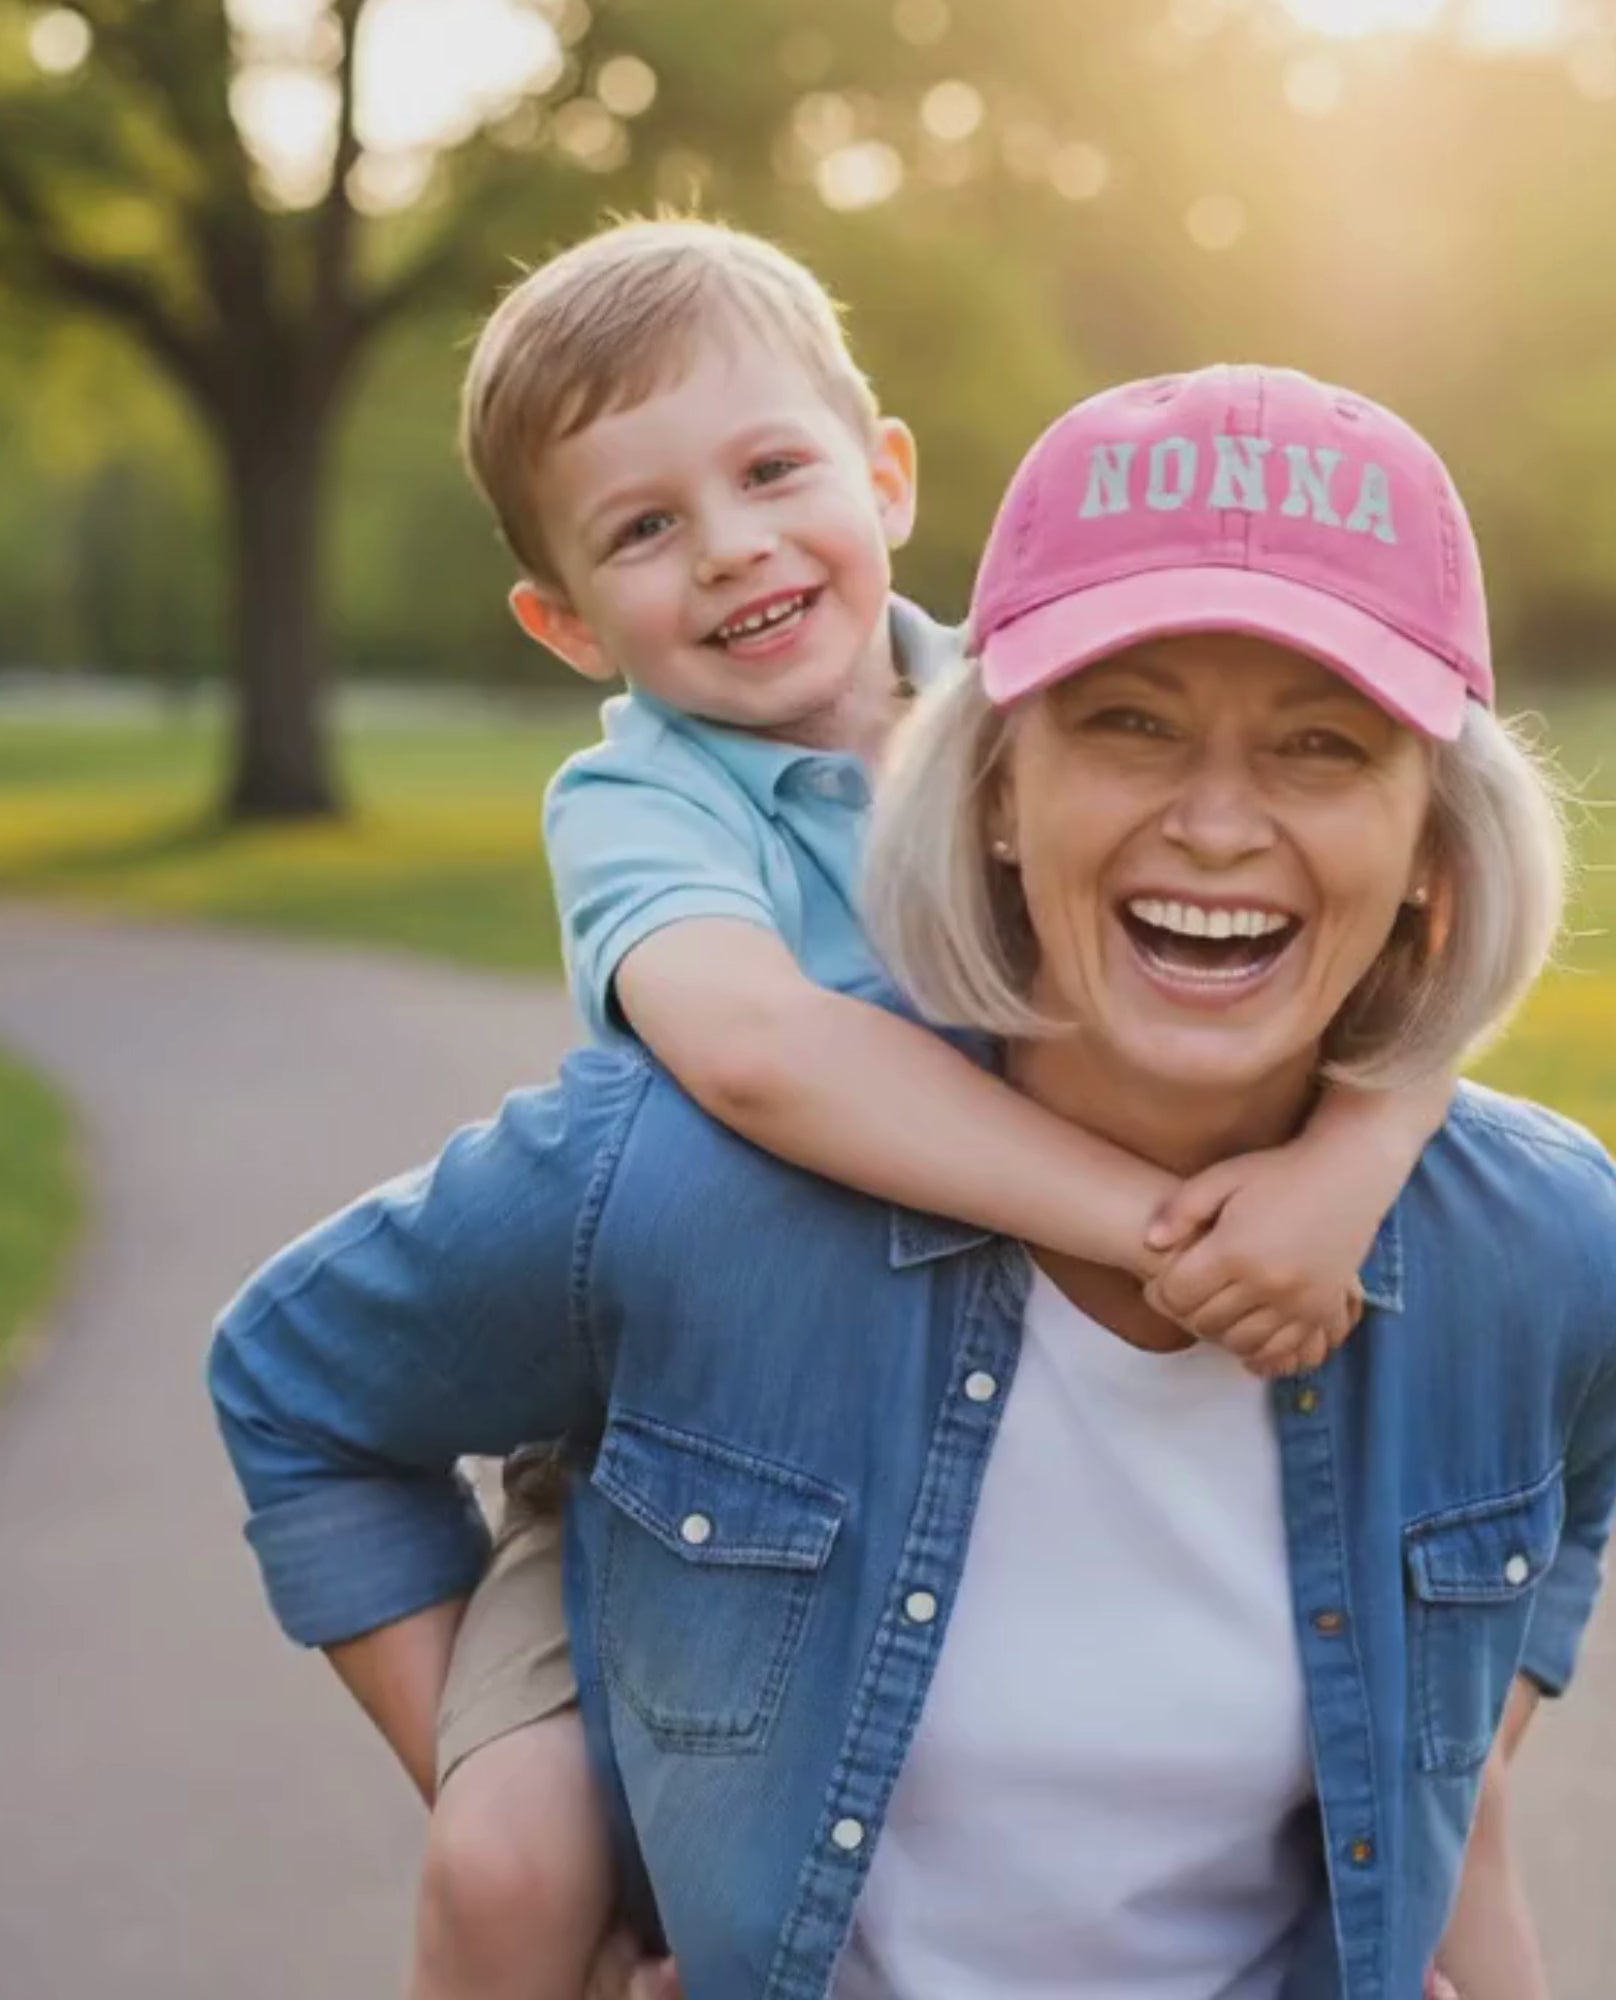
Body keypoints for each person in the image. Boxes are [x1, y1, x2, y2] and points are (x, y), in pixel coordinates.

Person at [210, 364, 1616, 2000]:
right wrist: (569, 1862)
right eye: (1128, 722)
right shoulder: (678, 1184)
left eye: (1323, 748)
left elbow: (1557, 1540)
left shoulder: (1554, 1257)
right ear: (986, 792)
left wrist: (1432, 1811)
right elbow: (300, 1388)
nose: (1213, 822)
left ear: (1432, 857)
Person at [414, 224, 1450, 1998]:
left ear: (884, 474)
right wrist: (1145, 1219)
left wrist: (1349, 1164)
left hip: (1022, 1392)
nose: (731, 546)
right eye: (644, 528)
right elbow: (753, 1050)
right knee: (510, 1862)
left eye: (769, 472)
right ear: (564, 618)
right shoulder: (642, 804)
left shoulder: (1044, 699)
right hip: (698, 1433)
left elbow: (1410, 957)